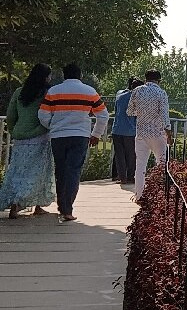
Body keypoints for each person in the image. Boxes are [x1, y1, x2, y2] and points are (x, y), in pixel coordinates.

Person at [37, 63, 109, 222]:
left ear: (64, 75)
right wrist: (96, 134)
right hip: (80, 136)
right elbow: (103, 115)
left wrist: (52, 125)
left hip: (58, 136)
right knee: (73, 171)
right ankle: (67, 209)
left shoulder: (53, 92)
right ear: (80, 75)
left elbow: (42, 114)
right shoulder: (90, 92)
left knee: (61, 171)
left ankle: (62, 206)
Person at [0, 63, 55, 218]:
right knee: (40, 173)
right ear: (45, 77)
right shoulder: (46, 93)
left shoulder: (19, 92)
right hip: (40, 137)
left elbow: (10, 116)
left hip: (20, 139)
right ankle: (28, 204)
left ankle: (15, 202)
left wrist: (14, 130)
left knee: (17, 171)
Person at [128, 69, 173, 201]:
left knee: (140, 164)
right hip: (158, 133)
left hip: (141, 132)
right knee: (162, 163)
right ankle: (161, 194)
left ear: (145, 78)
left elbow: (130, 111)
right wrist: (169, 133)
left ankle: (139, 195)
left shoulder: (137, 91)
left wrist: (142, 113)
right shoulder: (161, 92)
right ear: (159, 80)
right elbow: (165, 115)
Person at [111, 77, 143, 185]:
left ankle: (122, 177)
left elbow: (116, 112)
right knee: (131, 155)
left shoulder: (119, 97)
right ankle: (130, 177)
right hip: (130, 131)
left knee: (119, 155)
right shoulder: (138, 99)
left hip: (117, 129)